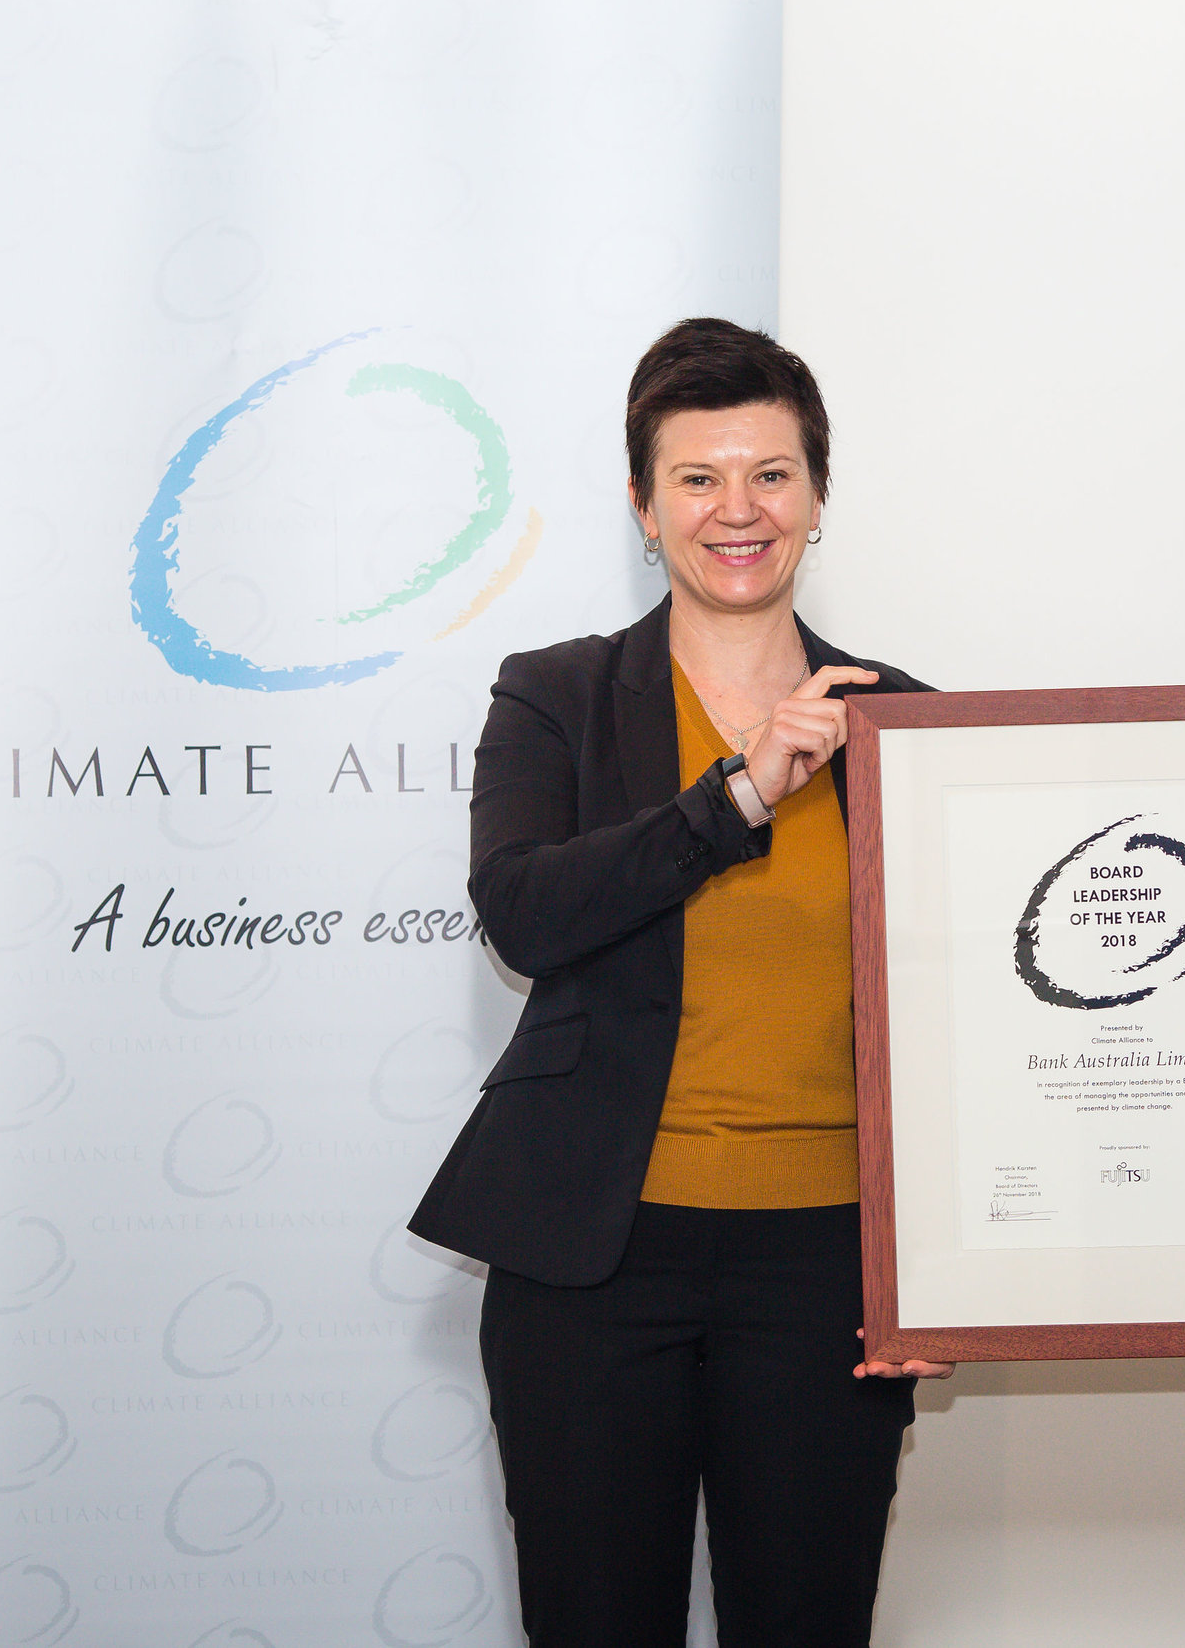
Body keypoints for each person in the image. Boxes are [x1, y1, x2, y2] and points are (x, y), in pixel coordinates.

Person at [411, 317, 950, 1648]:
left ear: (817, 496)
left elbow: (963, 1023)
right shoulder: (557, 696)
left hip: (828, 1271)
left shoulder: (905, 719)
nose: (737, 509)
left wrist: (951, 1266)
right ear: (644, 508)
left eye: (771, 474)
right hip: (593, 1265)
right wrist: (739, 795)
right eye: (697, 478)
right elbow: (524, 913)